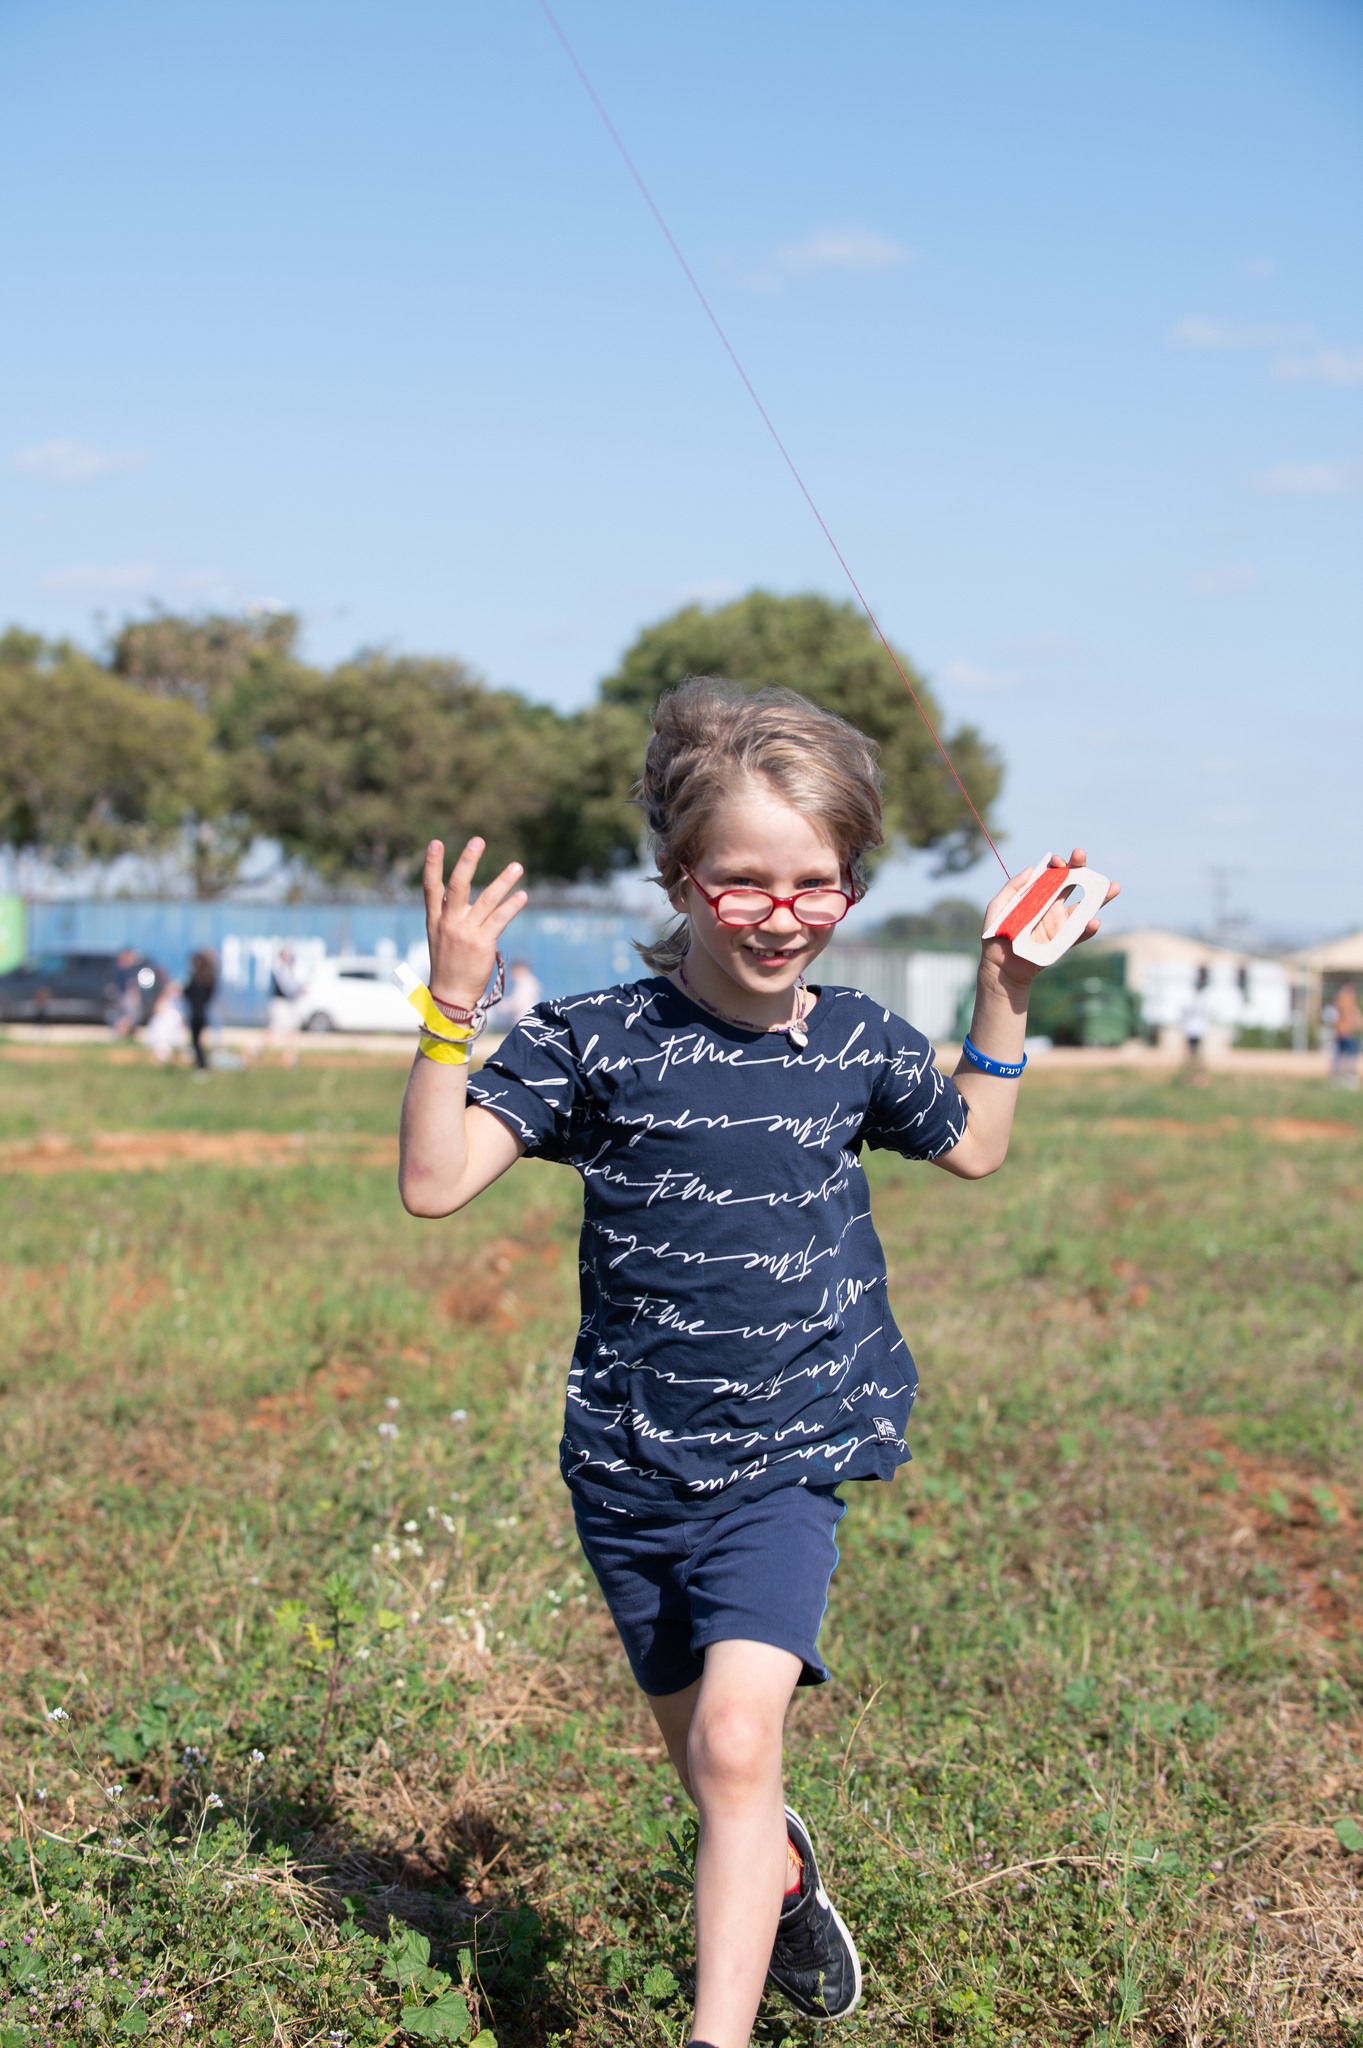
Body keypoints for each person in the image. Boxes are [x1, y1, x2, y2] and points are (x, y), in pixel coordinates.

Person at [397, 679, 1117, 2048]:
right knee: (715, 1769)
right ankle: (778, 1874)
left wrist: (1004, 986)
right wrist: (450, 1006)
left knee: (738, 1743)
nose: (781, 915)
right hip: (626, 1467)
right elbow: (434, 1184)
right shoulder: (588, 1041)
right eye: (742, 882)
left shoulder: (855, 1039)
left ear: (849, 882)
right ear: (680, 878)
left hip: (787, 1455)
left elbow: (972, 1142)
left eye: (815, 883)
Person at [264, 944, 304, 1066]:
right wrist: (299, 990)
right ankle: (289, 1057)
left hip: (284, 1003)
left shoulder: (283, 967)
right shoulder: (281, 968)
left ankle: (290, 1056)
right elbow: (287, 987)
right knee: (283, 1030)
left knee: (290, 1029)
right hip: (281, 1003)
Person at [186, 947, 218, 1073]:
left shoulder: (196, 979)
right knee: (198, 1042)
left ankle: (202, 1066)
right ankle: (203, 1065)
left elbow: (187, 993)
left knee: (196, 1042)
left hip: (196, 1014)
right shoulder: (209, 978)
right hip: (203, 1013)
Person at [144, 977, 188, 1064]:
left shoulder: (180, 1003)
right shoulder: (162, 1001)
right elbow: (156, 1010)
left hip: (175, 1031)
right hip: (162, 1031)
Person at [1331, 982, 1361, 1087]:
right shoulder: (1345, 1000)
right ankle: (1347, 1077)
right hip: (1345, 1032)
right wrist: (1356, 1022)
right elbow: (1351, 1015)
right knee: (1350, 1055)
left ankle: (1338, 1077)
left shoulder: (1343, 1000)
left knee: (1340, 1055)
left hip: (1343, 1032)